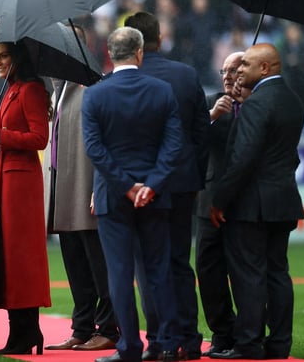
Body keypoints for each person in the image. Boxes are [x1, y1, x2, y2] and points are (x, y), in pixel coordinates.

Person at [81, 27, 183, 362]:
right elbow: (173, 145)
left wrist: (126, 186)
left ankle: (129, 348)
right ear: (140, 52)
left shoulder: (95, 95)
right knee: (158, 270)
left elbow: (95, 150)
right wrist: (150, 185)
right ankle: (168, 344)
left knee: (120, 274)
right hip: (155, 197)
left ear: (109, 54)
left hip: (113, 196)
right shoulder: (162, 91)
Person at [210, 43, 304, 360]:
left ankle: (249, 343)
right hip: (283, 201)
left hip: (251, 207)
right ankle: (279, 344)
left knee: (249, 275)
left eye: (247, 65)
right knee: (278, 274)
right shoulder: (292, 101)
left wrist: (220, 200)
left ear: (265, 68)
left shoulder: (256, 104)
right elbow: (290, 158)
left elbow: (242, 160)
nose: (240, 71)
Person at [124, 11, 209, 360]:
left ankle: (159, 339)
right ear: (160, 37)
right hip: (183, 183)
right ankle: (188, 339)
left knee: (148, 264)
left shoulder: (126, 79)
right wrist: (194, 177)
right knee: (178, 261)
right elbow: (201, 134)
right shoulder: (186, 75)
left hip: (142, 186)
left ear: (134, 42)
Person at [43, 25, 119, 352]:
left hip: (86, 187)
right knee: (75, 262)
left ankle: (109, 328)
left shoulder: (95, 85)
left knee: (98, 262)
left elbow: (107, 144)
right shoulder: (59, 89)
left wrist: (98, 186)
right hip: (63, 184)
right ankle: (82, 326)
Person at [0, 41, 51, 355]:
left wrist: (2, 135)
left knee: (21, 257)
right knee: (11, 257)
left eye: (4, 56)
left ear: (18, 58)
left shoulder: (30, 90)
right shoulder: (11, 91)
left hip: (22, 184)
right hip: (8, 181)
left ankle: (24, 333)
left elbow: (40, 138)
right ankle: (25, 331)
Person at [194, 52, 243, 357]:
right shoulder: (210, 102)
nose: (227, 77)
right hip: (209, 201)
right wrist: (211, 116)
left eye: (234, 71)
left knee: (245, 271)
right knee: (208, 269)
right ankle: (221, 332)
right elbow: (190, 140)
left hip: (245, 202)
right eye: (224, 71)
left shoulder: (256, 105)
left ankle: (249, 331)